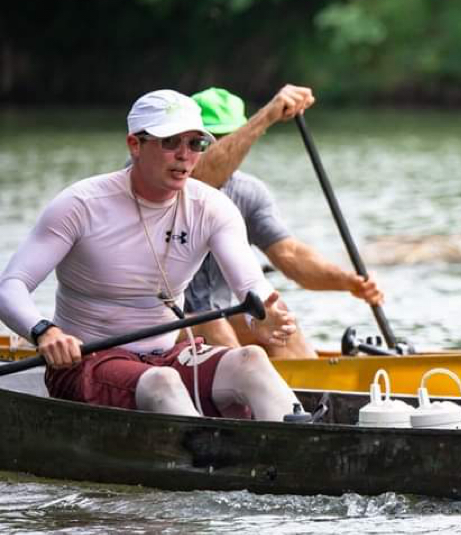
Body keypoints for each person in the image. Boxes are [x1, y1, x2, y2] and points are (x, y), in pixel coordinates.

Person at [0, 90, 307, 420]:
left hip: (167, 356)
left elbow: (252, 287)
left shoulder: (213, 209)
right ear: (135, 145)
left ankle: (298, 455)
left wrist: (262, 318)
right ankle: (208, 463)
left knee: (251, 360)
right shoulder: (81, 205)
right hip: (85, 362)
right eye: (170, 142)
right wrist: (45, 331)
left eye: (195, 144)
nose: (184, 155)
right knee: (163, 382)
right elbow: (10, 286)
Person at [183, 86, 383, 358]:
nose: (221, 147)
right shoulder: (162, 179)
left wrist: (348, 282)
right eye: (209, 139)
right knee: (211, 323)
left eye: (227, 136)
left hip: (216, 322)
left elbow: (291, 255)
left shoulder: (247, 192)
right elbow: (201, 177)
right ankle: (244, 384)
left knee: (279, 321)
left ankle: (316, 394)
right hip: (156, 329)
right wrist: (266, 116)